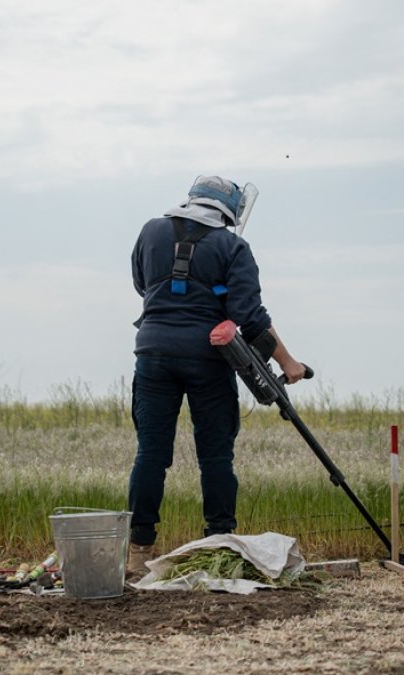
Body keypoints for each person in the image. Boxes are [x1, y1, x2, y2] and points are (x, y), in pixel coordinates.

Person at [126, 175, 306, 574]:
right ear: (229, 210)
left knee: (151, 453)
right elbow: (251, 318)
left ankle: (138, 551)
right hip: (207, 357)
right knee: (215, 456)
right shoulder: (233, 246)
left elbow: (143, 285)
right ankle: (218, 543)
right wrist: (289, 363)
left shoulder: (151, 230)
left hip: (152, 352)